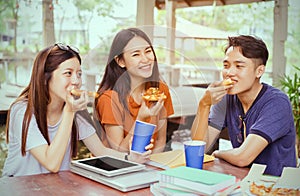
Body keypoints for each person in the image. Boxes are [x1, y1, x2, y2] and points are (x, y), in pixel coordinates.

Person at [2, 43, 152, 177]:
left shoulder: (74, 109)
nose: (76, 81)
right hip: (19, 188)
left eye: (79, 74)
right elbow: (51, 163)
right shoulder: (23, 111)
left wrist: (131, 158)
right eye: (68, 73)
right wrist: (69, 112)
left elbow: (101, 151)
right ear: (44, 77)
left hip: (55, 188)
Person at [191, 35, 296, 176]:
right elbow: (198, 148)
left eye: (239, 66)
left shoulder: (277, 103)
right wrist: (204, 105)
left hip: (276, 186)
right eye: (226, 66)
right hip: (242, 182)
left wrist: (218, 153)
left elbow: (243, 157)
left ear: (259, 71)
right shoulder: (226, 98)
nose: (229, 73)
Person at [94, 28, 174, 153]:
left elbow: (160, 140)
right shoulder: (109, 98)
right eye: (136, 54)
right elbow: (119, 151)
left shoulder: (160, 91)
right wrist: (140, 119)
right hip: (117, 168)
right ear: (120, 61)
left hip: (148, 165)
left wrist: (151, 167)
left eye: (148, 51)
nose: (145, 59)